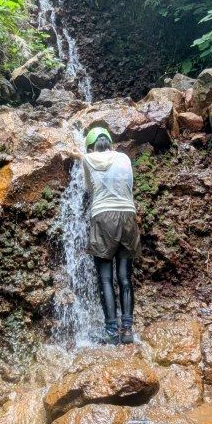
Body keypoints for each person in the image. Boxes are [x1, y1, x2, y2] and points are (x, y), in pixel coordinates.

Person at [81, 126, 142, 345]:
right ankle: (127, 330)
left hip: (104, 217)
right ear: (110, 142)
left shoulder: (87, 159)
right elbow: (130, 185)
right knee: (125, 278)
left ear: (90, 146)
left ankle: (110, 331)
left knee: (105, 278)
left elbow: (89, 189)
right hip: (128, 217)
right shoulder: (124, 158)